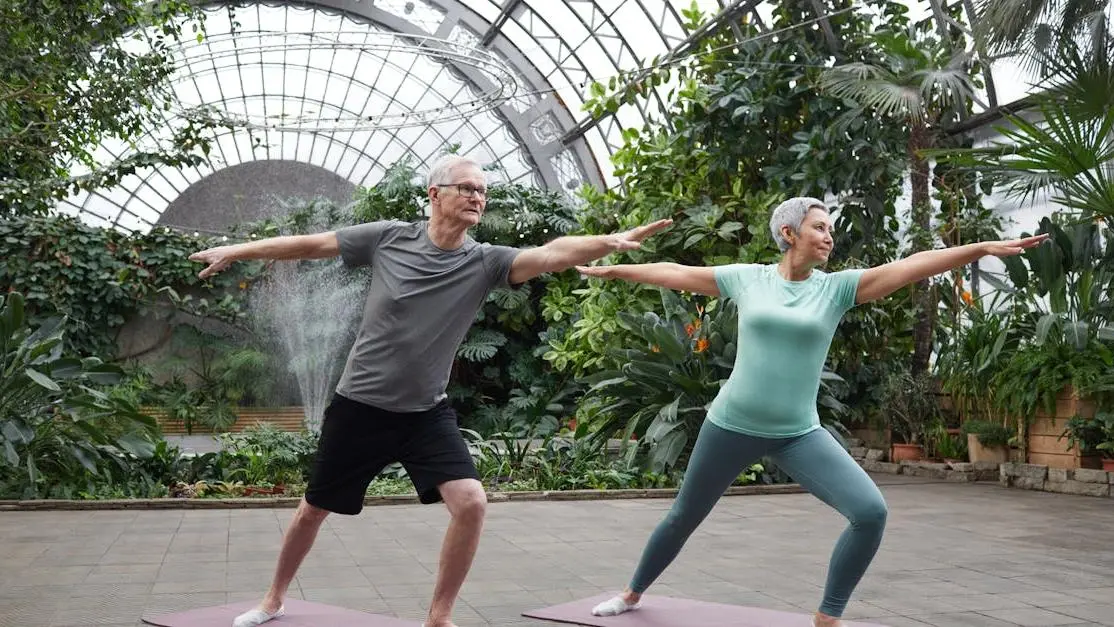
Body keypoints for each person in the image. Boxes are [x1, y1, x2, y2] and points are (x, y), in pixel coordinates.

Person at [188, 154, 672, 627]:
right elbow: (311, 245)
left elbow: (551, 254)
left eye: (482, 190)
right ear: (434, 194)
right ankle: (273, 599)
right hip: (360, 407)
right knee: (314, 509)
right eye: (466, 187)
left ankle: (439, 618)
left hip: (425, 413)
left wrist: (608, 241)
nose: (476, 197)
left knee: (472, 503)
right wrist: (237, 250)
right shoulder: (388, 238)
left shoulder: (485, 263)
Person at [577, 197, 1048, 627]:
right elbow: (676, 272)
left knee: (870, 512)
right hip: (730, 425)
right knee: (683, 516)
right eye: (819, 227)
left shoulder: (837, 290)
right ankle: (631, 593)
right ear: (788, 233)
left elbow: (911, 266)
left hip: (797, 433)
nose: (829, 236)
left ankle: (828, 617)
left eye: (830, 229)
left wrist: (979, 247)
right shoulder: (747, 279)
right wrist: (616, 271)